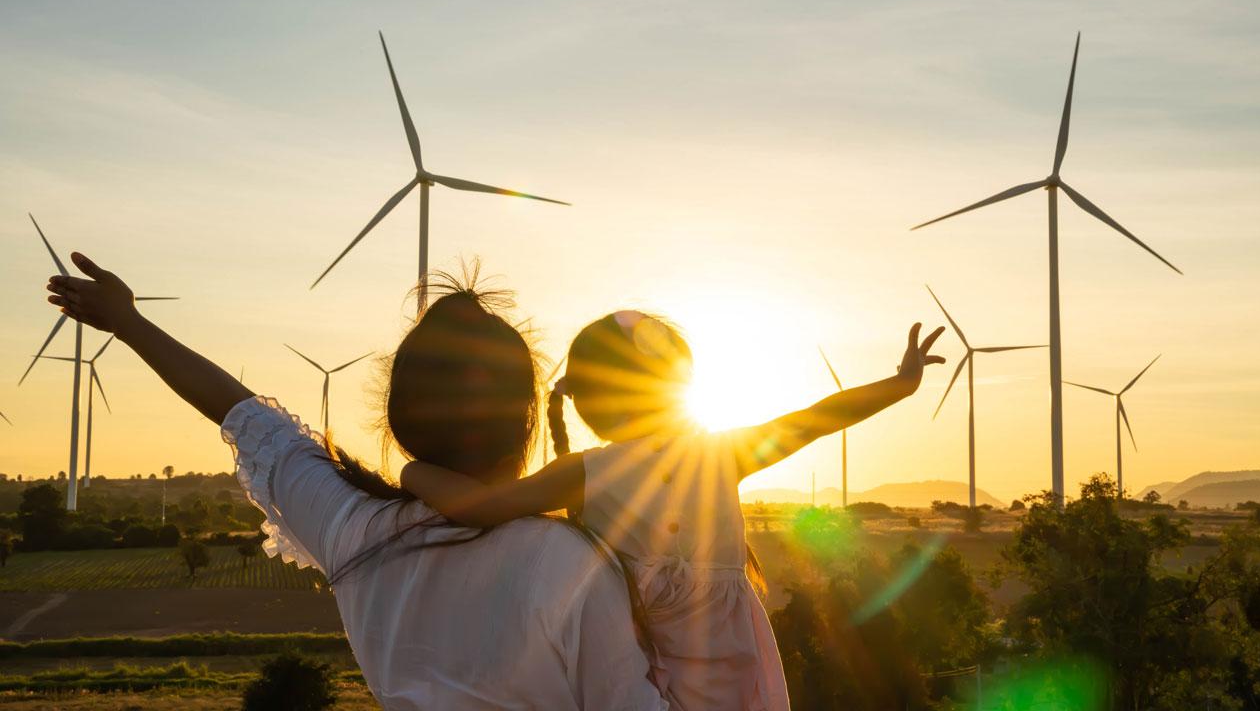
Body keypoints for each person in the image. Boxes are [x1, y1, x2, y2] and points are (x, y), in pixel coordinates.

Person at [45, 254, 667, 711]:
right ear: (525, 418)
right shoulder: (569, 563)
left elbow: (241, 413)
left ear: (400, 416)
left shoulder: (355, 531)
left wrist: (128, 322)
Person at [401, 310, 946, 710]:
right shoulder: (719, 453)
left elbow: (484, 507)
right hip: (723, 670)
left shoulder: (589, 472)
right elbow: (818, 416)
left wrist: (411, 473)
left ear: (590, 402)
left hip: (650, 671)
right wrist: (901, 384)